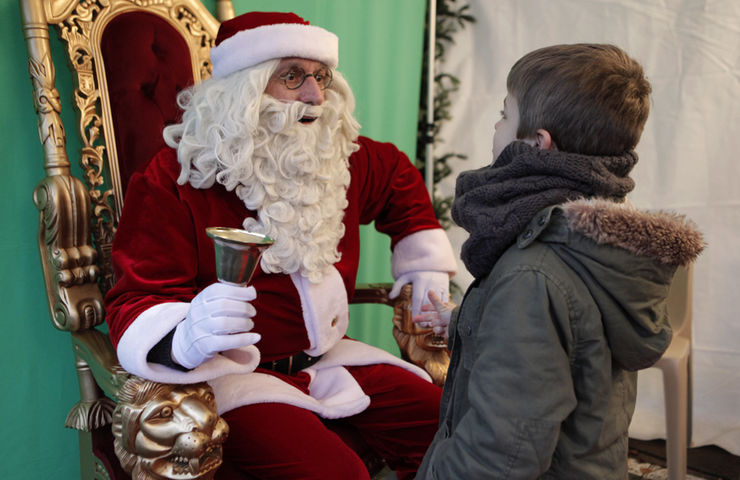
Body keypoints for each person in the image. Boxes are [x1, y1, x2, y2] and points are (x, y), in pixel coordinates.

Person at [104, 11, 457, 480]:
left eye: (321, 77)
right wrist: (185, 336)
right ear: (242, 91)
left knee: (459, 433)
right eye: (292, 76)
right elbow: (135, 298)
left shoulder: (336, 153)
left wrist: (422, 266)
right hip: (236, 378)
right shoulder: (176, 178)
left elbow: (397, 179)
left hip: (329, 358)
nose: (315, 95)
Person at [414, 44, 705, 479]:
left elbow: (501, 456)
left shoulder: (531, 275)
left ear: (536, 143)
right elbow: (566, 347)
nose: (495, 127)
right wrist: (464, 320)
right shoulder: (592, 246)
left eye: (503, 115)